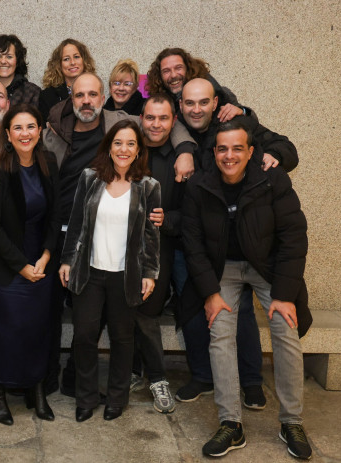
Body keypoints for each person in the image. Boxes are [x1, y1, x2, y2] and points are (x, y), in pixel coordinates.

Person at [43, 73, 194, 396]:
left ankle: (130, 389)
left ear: (102, 98)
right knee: (84, 328)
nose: (86, 101)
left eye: (93, 94)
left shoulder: (122, 126)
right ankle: (75, 386)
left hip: (123, 261)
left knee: (125, 330)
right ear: (72, 99)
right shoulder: (57, 132)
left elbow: (160, 121)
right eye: (79, 95)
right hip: (74, 241)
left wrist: (184, 148)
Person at [182, 120, 312, 459]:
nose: (230, 155)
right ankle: (231, 424)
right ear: (214, 153)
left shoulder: (273, 180)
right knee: (220, 331)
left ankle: (292, 421)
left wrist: (284, 295)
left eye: (237, 148)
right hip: (222, 269)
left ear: (251, 152)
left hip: (266, 268)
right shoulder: (199, 186)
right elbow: (193, 244)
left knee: (286, 327)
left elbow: (294, 237)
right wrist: (210, 293)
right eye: (222, 149)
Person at [175, 77, 300, 408]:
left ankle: (251, 380)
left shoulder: (237, 124)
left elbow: (286, 148)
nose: (196, 108)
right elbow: (192, 231)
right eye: (189, 103)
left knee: (244, 312)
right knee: (198, 305)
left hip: (252, 251)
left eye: (203, 102)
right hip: (204, 244)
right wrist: (185, 151)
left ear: (215, 103)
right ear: (180, 106)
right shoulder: (178, 133)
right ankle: (206, 379)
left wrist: (272, 156)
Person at [59, 119, 160, 422]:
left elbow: (151, 235)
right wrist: (67, 260)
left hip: (125, 275)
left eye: (131, 143)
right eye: (118, 143)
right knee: (85, 335)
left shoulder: (149, 187)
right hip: (89, 272)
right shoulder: (90, 178)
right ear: (109, 146)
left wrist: (150, 273)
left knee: (122, 338)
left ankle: (117, 398)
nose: (124, 149)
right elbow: (75, 223)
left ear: (139, 149)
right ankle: (86, 397)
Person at [0, 104, 60, 425]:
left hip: (42, 262)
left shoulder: (49, 162)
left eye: (31, 127)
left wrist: (45, 256)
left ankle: (36, 389)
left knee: (39, 330)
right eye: (18, 128)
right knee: (10, 331)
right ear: (8, 134)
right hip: (7, 265)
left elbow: (56, 216)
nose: (25, 133)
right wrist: (21, 266)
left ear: (40, 130)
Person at [130, 93, 186, 414]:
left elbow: (190, 213)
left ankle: (157, 377)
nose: (156, 124)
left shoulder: (180, 159)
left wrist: (169, 220)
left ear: (173, 121)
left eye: (163, 118)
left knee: (147, 311)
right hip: (120, 250)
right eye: (150, 117)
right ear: (142, 119)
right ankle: (136, 371)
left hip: (159, 248)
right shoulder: (126, 150)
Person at [146, 48, 249, 123]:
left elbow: (252, 123)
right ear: (159, 76)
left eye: (178, 68)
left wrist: (242, 111)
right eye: (166, 71)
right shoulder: (159, 103)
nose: (173, 75)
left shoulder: (216, 91)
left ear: (188, 69)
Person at [38, 39, 96, 122]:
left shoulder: (95, 89)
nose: (72, 62)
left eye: (76, 57)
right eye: (66, 59)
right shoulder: (47, 96)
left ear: (84, 60)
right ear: (59, 65)